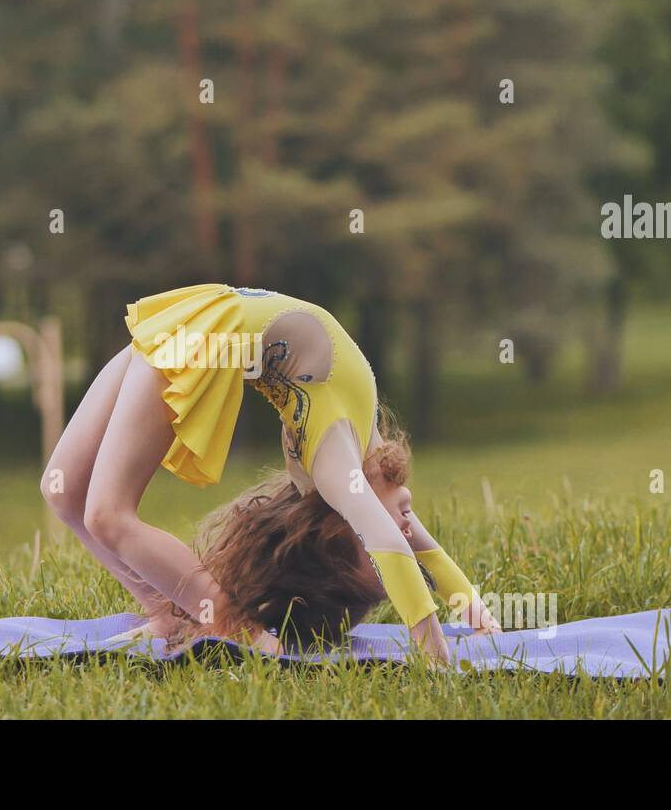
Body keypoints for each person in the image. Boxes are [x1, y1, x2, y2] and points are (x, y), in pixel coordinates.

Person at [41, 284, 500, 664]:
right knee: (65, 491)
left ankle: (225, 623)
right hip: (195, 319)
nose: (406, 529)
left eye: (377, 563)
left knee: (99, 510)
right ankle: (186, 617)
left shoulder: (335, 467)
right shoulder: (366, 449)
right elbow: (423, 552)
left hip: (203, 336)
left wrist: (434, 658)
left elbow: (394, 545)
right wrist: (481, 620)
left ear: (345, 530)